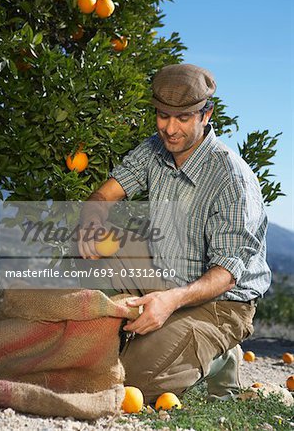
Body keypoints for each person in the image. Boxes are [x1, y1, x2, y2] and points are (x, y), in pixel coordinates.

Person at [75, 64, 271, 403]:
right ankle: (139, 328)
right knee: (85, 244)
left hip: (220, 302)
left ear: (206, 113)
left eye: (182, 118)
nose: (170, 128)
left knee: (127, 382)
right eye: (163, 116)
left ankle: (218, 356)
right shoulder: (154, 149)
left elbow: (226, 275)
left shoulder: (232, 178)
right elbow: (104, 195)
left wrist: (170, 301)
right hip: (164, 272)